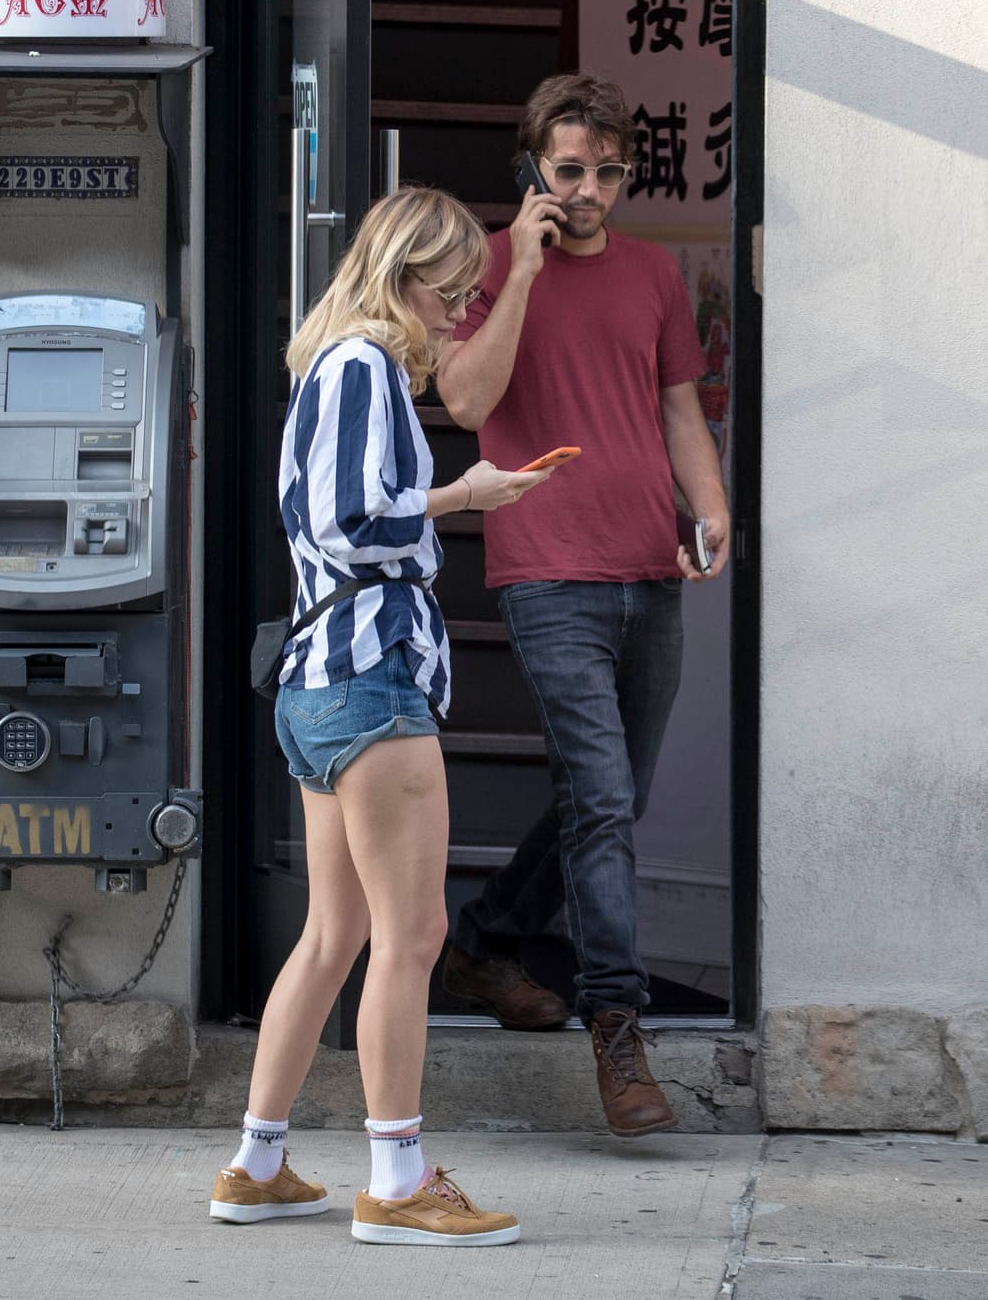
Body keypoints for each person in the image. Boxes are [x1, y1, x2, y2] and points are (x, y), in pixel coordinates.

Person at [208, 186, 551, 1245]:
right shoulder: (360, 367)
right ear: (401, 276)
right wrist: (465, 496)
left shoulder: (331, 366)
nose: (459, 314)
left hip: (324, 679)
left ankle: (256, 1164)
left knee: (335, 934)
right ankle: (397, 1182)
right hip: (369, 678)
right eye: (451, 295)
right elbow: (352, 519)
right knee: (411, 935)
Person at [436, 72, 730, 1138]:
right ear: (532, 168)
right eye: (570, 171)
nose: (591, 189)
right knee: (601, 799)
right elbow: (464, 400)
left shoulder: (651, 275)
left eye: (608, 171)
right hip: (548, 571)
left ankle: (479, 942)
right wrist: (520, 262)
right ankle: (617, 1025)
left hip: (648, 570)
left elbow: (678, 412)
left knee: (612, 797)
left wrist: (709, 510)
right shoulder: (490, 264)